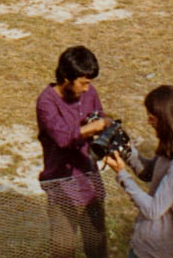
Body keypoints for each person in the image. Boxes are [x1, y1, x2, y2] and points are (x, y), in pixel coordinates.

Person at [106, 84, 173, 258]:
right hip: (145, 246)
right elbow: (149, 173)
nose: (149, 122)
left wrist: (122, 174)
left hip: (157, 253)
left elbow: (154, 209)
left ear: (166, 119)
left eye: (152, 118)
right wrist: (126, 149)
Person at [36, 45, 112, 258]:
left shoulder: (90, 92)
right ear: (66, 78)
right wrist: (92, 128)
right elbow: (62, 138)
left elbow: (99, 117)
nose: (87, 89)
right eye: (83, 83)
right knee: (63, 250)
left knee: (97, 245)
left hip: (90, 181)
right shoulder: (46, 102)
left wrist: (105, 131)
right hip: (62, 186)